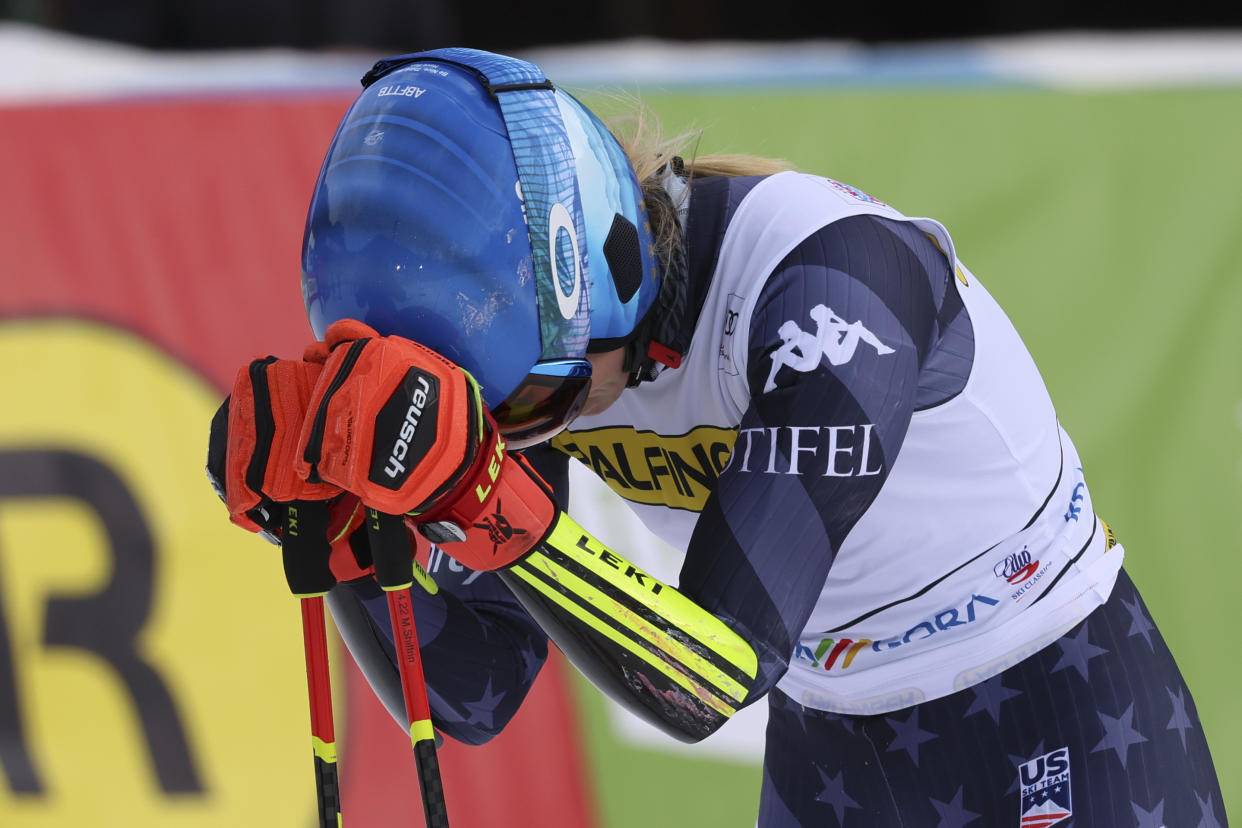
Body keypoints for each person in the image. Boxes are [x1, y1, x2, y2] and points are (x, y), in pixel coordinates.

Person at [208, 47, 1226, 826]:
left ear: (607, 273)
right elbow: (471, 691)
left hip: (1053, 712)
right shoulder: (558, 351)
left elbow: (713, 673)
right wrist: (340, 539)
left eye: (521, 412)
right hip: (833, 756)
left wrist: (485, 502)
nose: (511, 441)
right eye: (481, 418)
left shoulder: (829, 290)